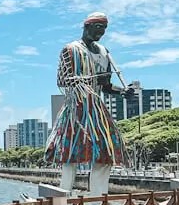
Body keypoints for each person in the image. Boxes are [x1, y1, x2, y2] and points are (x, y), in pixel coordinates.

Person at [44, 12, 132, 195]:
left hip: (97, 111)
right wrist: (87, 79)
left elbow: (106, 86)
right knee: (69, 154)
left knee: (106, 153)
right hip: (76, 109)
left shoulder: (104, 53)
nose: (101, 32)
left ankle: (98, 198)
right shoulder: (71, 49)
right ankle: (63, 196)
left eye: (104, 28)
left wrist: (122, 91)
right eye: (98, 27)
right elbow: (62, 80)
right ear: (87, 26)